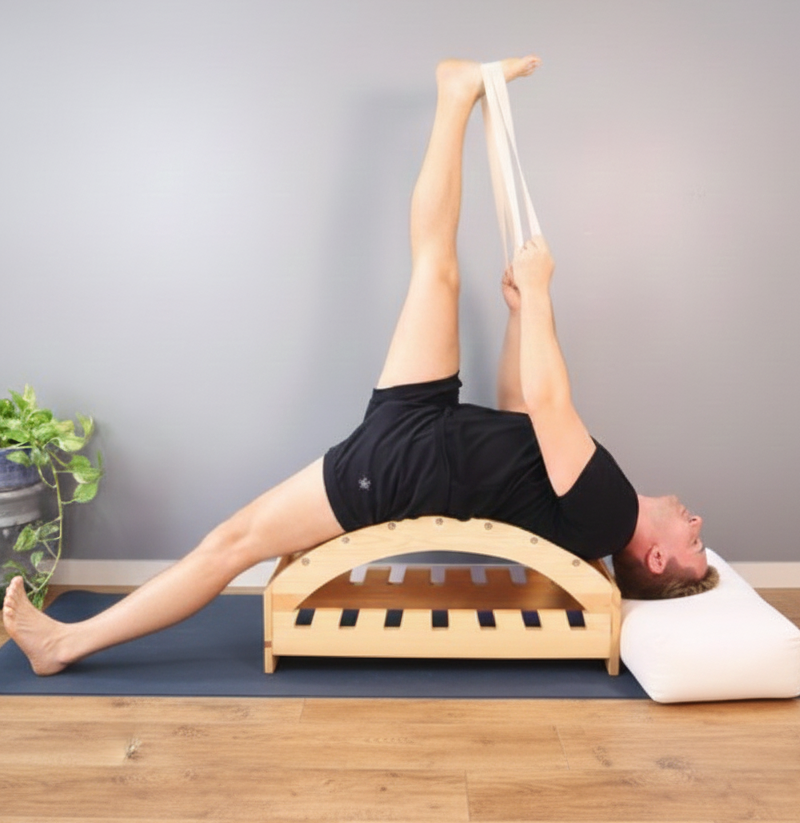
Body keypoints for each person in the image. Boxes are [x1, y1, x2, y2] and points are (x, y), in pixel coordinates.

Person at [2, 56, 717, 677]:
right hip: (427, 425)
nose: (697, 522)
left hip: (404, 464)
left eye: (695, 542)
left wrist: (541, 293)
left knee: (232, 544)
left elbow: (550, 402)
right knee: (435, 268)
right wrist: (517, 316)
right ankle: (455, 92)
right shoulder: (603, 506)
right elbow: (524, 414)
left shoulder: (610, 515)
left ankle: (64, 644)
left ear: (656, 561)